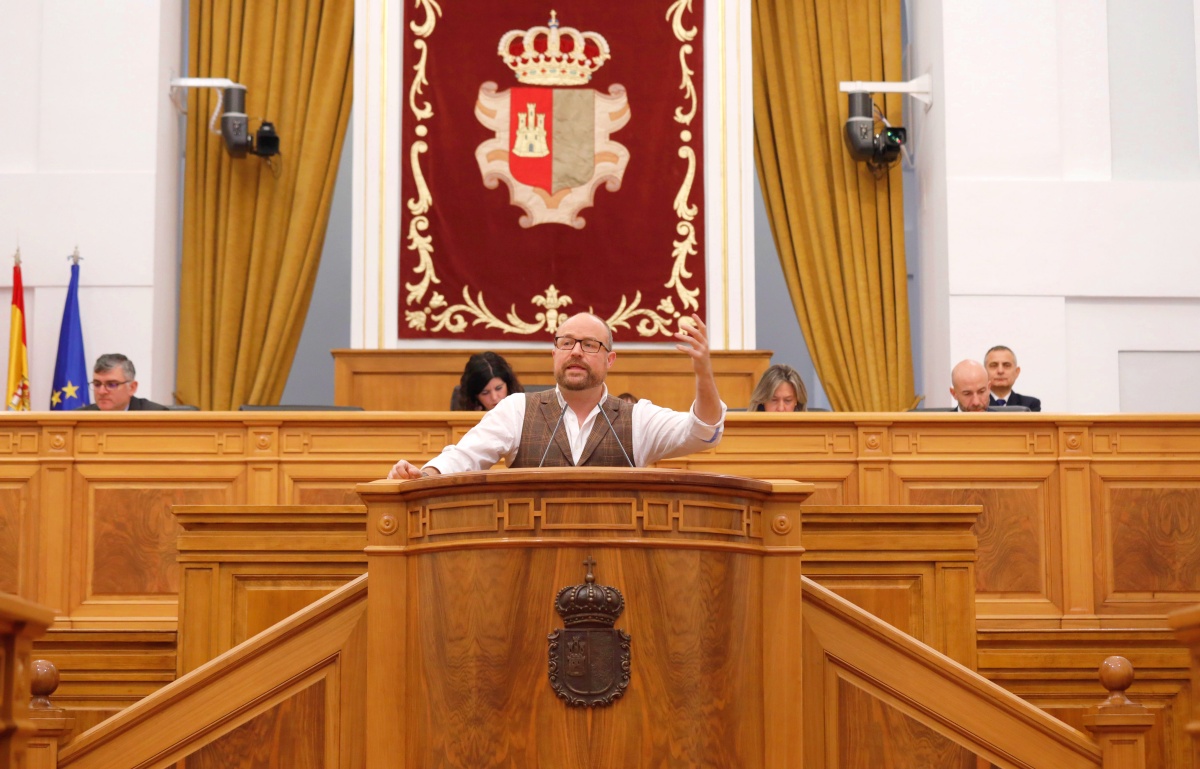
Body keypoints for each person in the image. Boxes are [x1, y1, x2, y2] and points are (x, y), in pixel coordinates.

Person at [388, 312, 724, 478]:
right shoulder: (517, 410)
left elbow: (704, 432)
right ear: (554, 354)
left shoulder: (637, 418)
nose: (576, 352)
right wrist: (424, 476)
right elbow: (464, 457)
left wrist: (703, 373)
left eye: (589, 345)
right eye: (566, 343)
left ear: (609, 360)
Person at [77, 353, 168, 411]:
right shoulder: (79, 418)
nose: (101, 391)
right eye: (97, 384)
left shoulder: (156, 416)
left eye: (111, 384)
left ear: (132, 388)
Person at [452, 352, 524, 411]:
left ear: (508, 385)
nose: (494, 397)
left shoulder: (523, 411)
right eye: (485, 393)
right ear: (475, 396)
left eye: (499, 388)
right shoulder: (464, 418)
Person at [985, 345, 1041, 411]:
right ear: (984, 372)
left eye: (1007, 365)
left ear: (1016, 372)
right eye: (994, 365)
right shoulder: (977, 404)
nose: (1000, 371)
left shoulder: (1030, 405)